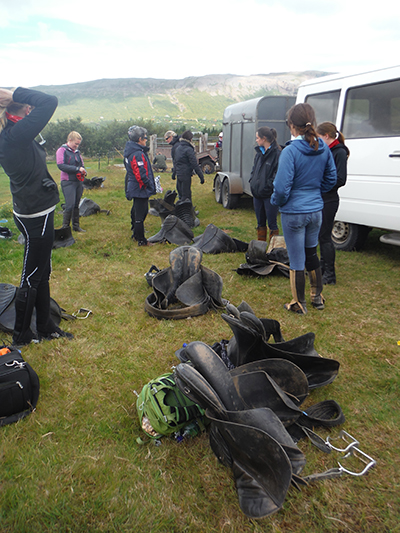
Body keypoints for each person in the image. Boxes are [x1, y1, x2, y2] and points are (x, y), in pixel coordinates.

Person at [0, 86, 74, 346]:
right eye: (25, 105)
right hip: (35, 214)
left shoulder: (13, 133)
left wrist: (15, 99)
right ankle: (22, 335)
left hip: (33, 209)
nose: (31, 108)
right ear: (15, 107)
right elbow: (49, 101)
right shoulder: (15, 135)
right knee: (31, 276)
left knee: (42, 271)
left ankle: (45, 326)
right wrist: (16, 94)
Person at [271, 103, 337, 315]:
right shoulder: (323, 147)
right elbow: (331, 179)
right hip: (315, 210)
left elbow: (281, 187)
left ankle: (299, 303)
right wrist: (315, 193)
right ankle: (317, 297)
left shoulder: (290, 151)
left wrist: (277, 201)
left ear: (292, 125)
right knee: (311, 253)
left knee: (297, 258)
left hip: (294, 212)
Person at [316, 122, 349, 285]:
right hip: (321, 198)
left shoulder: (339, 152)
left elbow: (340, 179)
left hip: (329, 199)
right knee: (320, 236)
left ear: (326, 136)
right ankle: (322, 269)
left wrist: (320, 183)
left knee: (325, 236)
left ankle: (330, 274)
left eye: (319, 137)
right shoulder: (327, 151)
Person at [124, 125, 156, 246]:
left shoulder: (133, 150)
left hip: (136, 186)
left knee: (136, 211)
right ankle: (141, 240)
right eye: (145, 138)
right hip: (140, 187)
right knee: (141, 214)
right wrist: (149, 185)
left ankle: (135, 234)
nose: (146, 140)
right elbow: (140, 174)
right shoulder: (137, 153)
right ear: (140, 139)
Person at [249, 127, 281, 242]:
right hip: (257, 194)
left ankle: (273, 249)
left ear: (264, 138)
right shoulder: (259, 153)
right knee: (260, 222)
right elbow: (254, 170)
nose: (256, 140)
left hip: (269, 195)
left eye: (258, 138)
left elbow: (277, 174)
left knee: (272, 223)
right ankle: (260, 247)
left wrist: (269, 186)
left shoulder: (277, 154)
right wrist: (252, 181)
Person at [56, 131, 86, 232]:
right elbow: (61, 165)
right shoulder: (62, 150)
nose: (77, 146)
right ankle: (65, 227)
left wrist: (83, 171)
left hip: (78, 181)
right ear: (70, 140)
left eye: (78, 144)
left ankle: (76, 226)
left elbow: (82, 165)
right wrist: (77, 169)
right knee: (70, 205)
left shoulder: (77, 152)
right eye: (75, 144)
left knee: (76, 204)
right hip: (67, 181)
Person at [173, 130, 205, 201]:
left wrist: (174, 174)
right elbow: (194, 164)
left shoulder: (178, 148)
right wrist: (201, 177)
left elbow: (176, 162)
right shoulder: (189, 149)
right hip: (186, 175)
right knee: (187, 196)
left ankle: (180, 210)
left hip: (179, 174)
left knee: (181, 195)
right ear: (190, 139)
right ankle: (188, 211)